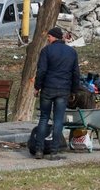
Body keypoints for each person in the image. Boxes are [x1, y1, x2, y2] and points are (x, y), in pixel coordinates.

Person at [33, 26, 81, 160]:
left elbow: (41, 71)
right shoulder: (72, 52)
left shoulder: (46, 51)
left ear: (54, 37)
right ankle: (54, 151)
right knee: (58, 120)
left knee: (43, 118)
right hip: (63, 90)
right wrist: (74, 90)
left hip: (48, 89)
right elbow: (75, 73)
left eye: (49, 37)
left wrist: (37, 87)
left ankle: (39, 150)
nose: (47, 39)